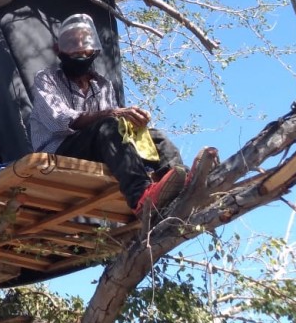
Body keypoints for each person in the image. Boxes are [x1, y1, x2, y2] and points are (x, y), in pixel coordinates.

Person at [29, 13, 186, 216]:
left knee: (155, 136)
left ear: (94, 49)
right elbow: (60, 121)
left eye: (85, 43)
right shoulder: (47, 79)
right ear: (58, 50)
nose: (80, 50)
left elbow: (116, 128)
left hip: (99, 149)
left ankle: (180, 184)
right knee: (109, 125)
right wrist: (113, 114)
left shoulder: (103, 85)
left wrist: (135, 124)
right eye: (72, 43)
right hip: (58, 153)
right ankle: (141, 195)